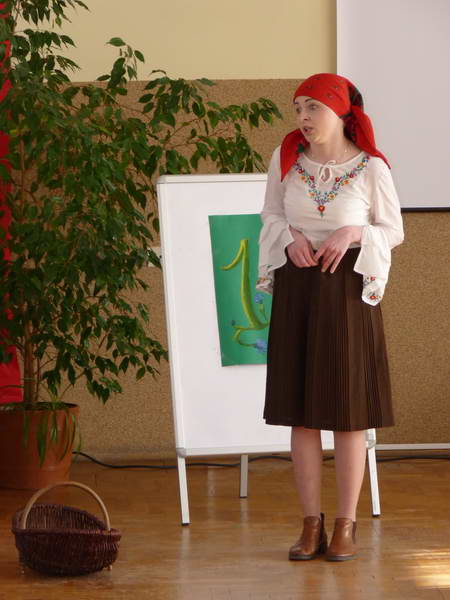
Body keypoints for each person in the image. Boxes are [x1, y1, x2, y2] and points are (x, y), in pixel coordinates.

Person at [256, 73, 404, 562]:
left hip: (346, 293)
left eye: (313, 107)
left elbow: (393, 229)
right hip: (298, 287)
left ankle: (345, 524)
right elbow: (271, 215)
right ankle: (310, 524)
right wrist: (289, 238)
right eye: (298, 108)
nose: (302, 117)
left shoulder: (371, 168)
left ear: (340, 112)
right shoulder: (285, 161)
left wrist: (353, 233)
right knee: (301, 413)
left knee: (347, 412)